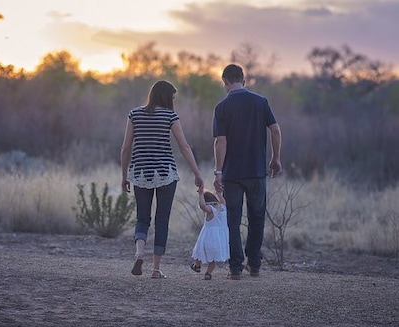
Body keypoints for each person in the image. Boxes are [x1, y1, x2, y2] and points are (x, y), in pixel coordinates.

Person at [121, 80, 204, 279]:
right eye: (173, 97)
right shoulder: (170, 116)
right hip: (166, 173)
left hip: (140, 172)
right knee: (162, 220)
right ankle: (156, 269)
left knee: (142, 217)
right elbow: (184, 147)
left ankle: (139, 252)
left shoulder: (135, 114)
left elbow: (125, 148)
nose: (173, 101)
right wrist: (197, 173)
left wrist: (124, 176)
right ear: (167, 97)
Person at [213, 64, 282, 280]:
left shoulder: (222, 107)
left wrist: (218, 171)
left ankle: (235, 268)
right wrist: (275, 158)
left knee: (232, 220)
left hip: (232, 174)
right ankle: (254, 264)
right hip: (256, 171)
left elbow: (220, 141)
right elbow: (275, 129)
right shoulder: (260, 102)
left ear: (224, 82)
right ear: (244, 80)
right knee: (257, 217)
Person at [190, 189, 229, 280]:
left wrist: (200, 195)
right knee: (213, 258)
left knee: (200, 251)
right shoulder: (223, 207)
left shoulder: (211, 210)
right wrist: (218, 193)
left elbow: (202, 206)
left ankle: (197, 266)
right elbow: (223, 201)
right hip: (219, 239)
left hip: (208, 236)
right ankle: (208, 273)